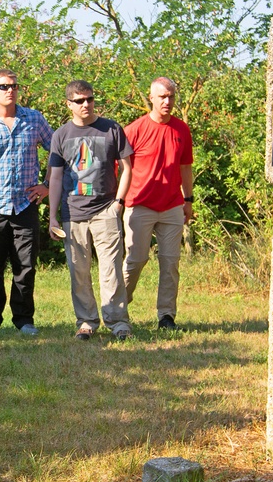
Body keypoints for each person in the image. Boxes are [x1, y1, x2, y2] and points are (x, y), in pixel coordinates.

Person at [48, 80, 134, 340]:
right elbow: (54, 177)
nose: (86, 104)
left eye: (90, 99)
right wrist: (52, 216)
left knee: (111, 269)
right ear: (69, 104)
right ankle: (86, 322)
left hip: (106, 209)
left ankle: (118, 323)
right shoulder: (61, 135)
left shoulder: (112, 129)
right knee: (79, 271)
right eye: (79, 101)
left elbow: (128, 167)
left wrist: (118, 203)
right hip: (72, 214)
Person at [0, 69, 53, 337]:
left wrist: (47, 185)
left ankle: (24, 319)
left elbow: (57, 151)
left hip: (25, 205)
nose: (9, 90)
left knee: (26, 266)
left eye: (13, 85)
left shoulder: (34, 119)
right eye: (2, 86)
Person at [123, 77, 195, 330]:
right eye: (162, 96)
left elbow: (186, 167)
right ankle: (118, 309)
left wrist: (188, 200)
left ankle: (166, 316)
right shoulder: (134, 130)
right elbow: (119, 169)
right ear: (151, 98)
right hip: (139, 205)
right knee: (135, 260)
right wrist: (118, 202)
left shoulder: (181, 129)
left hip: (172, 205)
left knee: (170, 261)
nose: (167, 101)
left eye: (171, 96)